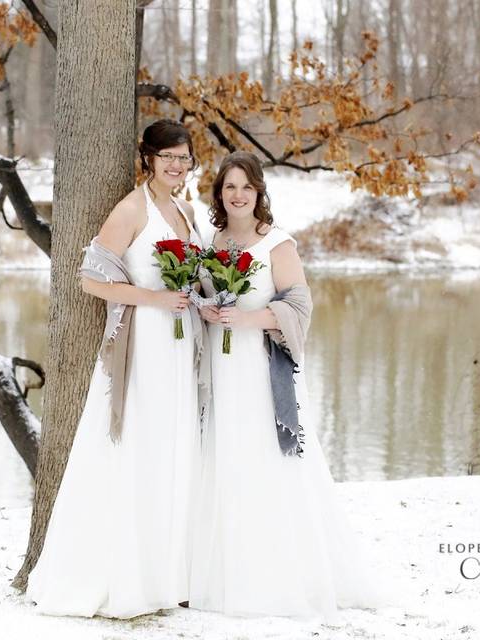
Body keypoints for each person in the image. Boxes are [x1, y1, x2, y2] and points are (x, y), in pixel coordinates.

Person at [190, 151, 390, 618]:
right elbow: (202, 297)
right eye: (229, 187)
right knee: (225, 456)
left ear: (259, 192)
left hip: (260, 369)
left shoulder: (277, 244)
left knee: (265, 459)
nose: (238, 195)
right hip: (221, 369)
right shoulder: (210, 240)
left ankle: (277, 577)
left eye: (247, 187)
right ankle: (219, 574)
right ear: (219, 193)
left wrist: (247, 317)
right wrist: (205, 309)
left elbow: (299, 308)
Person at [26, 119, 206, 619]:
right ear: (147, 158)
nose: (176, 165)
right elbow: (91, 278)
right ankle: (122, 575)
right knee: (138, 448)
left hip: (181, 342)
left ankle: (169, 575)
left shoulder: (188, 212)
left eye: (184, 157)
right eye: (167, 156)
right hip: (144, 343)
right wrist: (153, 297)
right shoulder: (131, 210)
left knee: (175, 448)